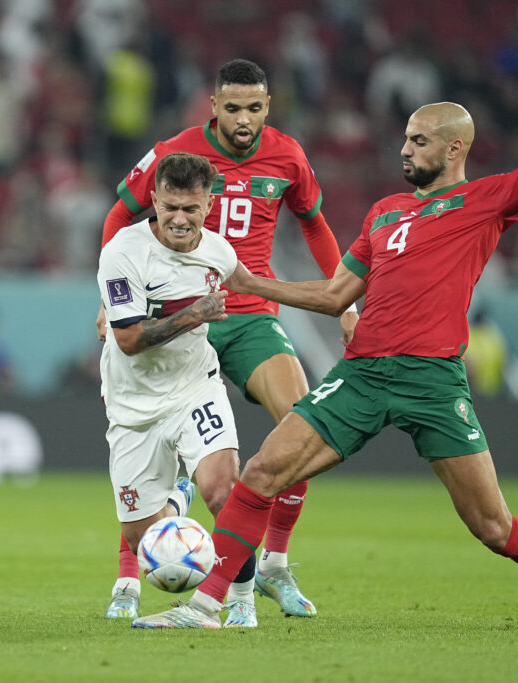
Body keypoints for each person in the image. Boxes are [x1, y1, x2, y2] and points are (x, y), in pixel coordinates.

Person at [134, 19, 518, 631]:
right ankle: (207, 606)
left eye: (418, 141)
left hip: (432, 380)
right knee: (260, 472)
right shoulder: (384, 213)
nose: (404, 150)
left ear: (454, 150)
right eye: (405, 139)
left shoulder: (486, 201)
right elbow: (336, 293)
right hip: (362, 375)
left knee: (492, 527)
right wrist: (253, 284)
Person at [99, 58, 357, 622]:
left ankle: (274, 564)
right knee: (147, 442)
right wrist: (110, 300)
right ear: (214, 106)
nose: (244, 119)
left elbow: (315, 225)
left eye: (254, 108)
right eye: (233, 108)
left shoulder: (288, 156)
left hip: (247, 315)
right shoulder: (175, 154)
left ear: (268, 107)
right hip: (175, 312)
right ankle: (131, 568)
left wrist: (347, 302)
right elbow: (120, 215)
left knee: (302, 424)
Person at [96, 151, 248, 628]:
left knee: (224, 491)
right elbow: (128, 340)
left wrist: (337, 302)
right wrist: (194, 314)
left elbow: (251, 284)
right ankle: (177, 500)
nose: (180, 219)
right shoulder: (123, 252)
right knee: (144, 540)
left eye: (191, 208)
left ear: (209, 204)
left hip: (195, 387)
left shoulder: (219, 252)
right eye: (170, 207)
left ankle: (241, 599)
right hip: (134, 404)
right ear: (155, 200)